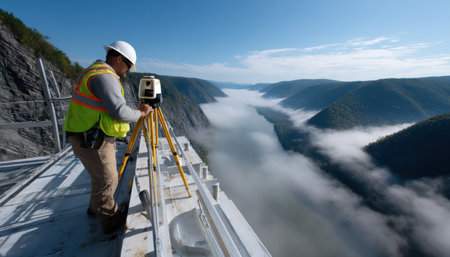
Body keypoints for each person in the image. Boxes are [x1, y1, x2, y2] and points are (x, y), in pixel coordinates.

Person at [63, 40, 152, 234]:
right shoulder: (104, 76)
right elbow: (119, 111)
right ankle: (110, 220)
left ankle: (94, 208)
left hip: (86, 134)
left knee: (99, 177)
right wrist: (141, 114)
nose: (129, 71)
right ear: (119, 59)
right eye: (128, 65)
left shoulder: (94, 71)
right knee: (107, 179)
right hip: (92, 138)